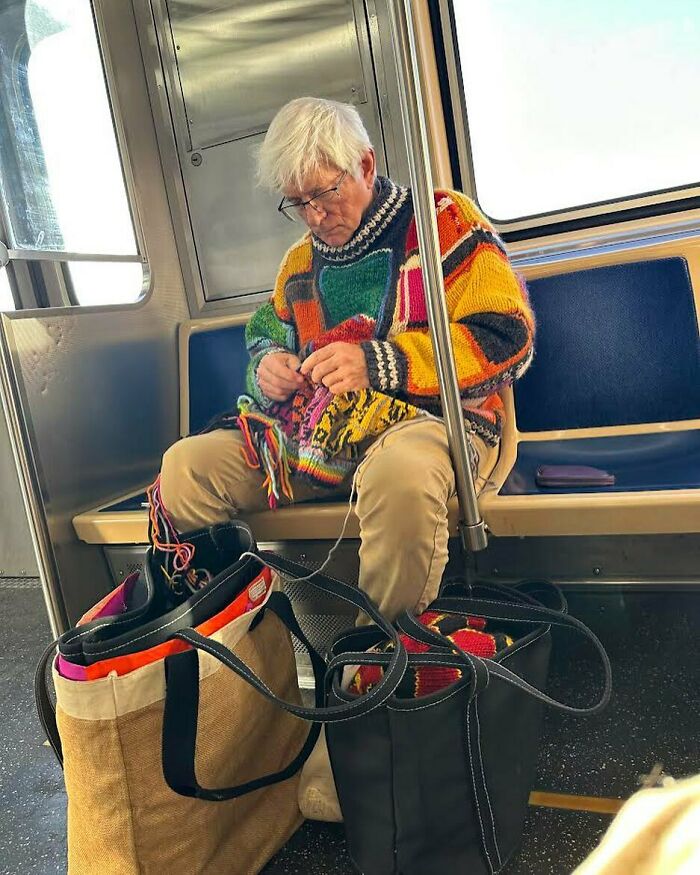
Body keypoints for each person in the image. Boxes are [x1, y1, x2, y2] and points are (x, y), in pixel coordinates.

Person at [158, 96, 534, 820]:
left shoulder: (445, 223)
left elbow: (504, 336)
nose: (314, 216)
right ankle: (251, 682)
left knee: (398, 477)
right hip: (320, 439)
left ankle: (373, 694)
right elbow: (266, 335)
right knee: (186, 469)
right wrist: (267, 368)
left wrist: (382, 362)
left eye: (325, 193)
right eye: (296, 202)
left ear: (364, 165)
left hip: (434, 422)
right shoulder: (300, 262)